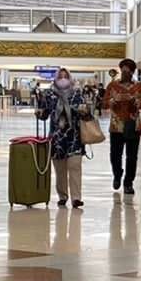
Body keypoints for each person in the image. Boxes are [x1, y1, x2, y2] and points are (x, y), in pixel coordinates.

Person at [39, 67, 94, 208]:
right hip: (57, 138)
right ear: (55, 79)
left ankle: (76, 198)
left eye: (65, 76)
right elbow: (44, 114)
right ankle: (62, 196)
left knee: (75, 166)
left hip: (74, 137)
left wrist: (84, 111)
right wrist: (39, 113)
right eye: (60, 76)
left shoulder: (77, 94)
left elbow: (86, 114)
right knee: (60, 170)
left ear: (70, 78)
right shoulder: (49, 94)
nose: (63, 79)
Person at [104, 58, 141, 195]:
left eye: (128, 71)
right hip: (116, 126)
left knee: (132, 156)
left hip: (133, 125)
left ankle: (128, 182)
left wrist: (134, 101)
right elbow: (104, 103)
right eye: (123, 70)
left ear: (132, 72)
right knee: (115, 155)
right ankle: (117, 174)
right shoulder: (112, 86)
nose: (125, 73)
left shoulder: (139, 86)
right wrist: (113, 101)